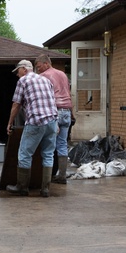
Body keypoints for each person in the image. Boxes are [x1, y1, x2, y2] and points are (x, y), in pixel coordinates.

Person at [5, 59, 58, 197]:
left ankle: (22, 187)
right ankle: (45, 189)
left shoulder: (23, 81)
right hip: (52, 121)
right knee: (48, 154)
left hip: (36, 121)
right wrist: (56, 123)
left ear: (24, 69)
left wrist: (10, 123)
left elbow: (16, 104)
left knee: (24, 154)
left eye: (18, 71)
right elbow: (52, 101)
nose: (17, 74)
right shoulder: (46, 80)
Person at [35, 54, 73, 184]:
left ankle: (47, 177)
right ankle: (62, 175)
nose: (38, 69)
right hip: (66, 112)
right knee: (62, 144)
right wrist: (72, 113)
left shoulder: (44, 77)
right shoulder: (62, 74)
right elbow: (69, 92)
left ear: (46, 63)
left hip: (54, 112)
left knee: (48, 146)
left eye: (39, 66)